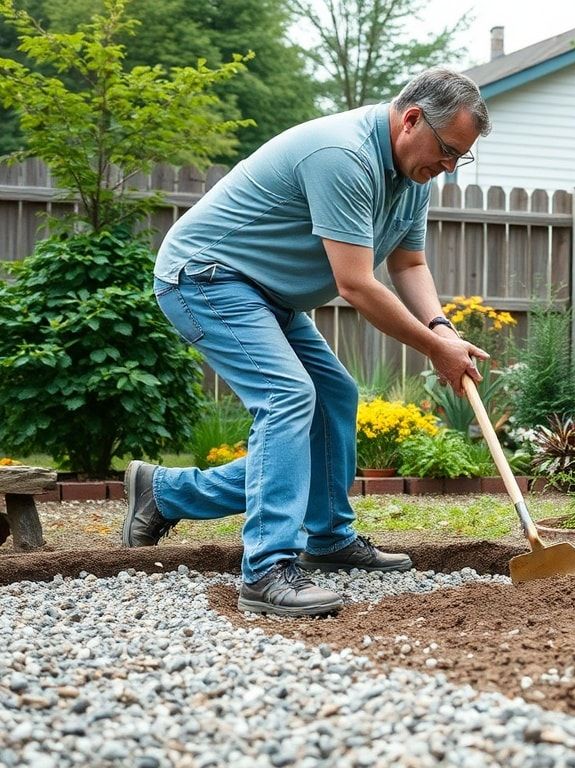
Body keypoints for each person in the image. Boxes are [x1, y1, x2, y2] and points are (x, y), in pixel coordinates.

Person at [122, 67, 492, 617]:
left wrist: (443, 330)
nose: (448, 167)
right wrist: (432, 349)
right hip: (205, 277)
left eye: (459, 158)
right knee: (288, 397)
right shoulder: (342, 155)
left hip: (268, 294)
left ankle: (315, 535)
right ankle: (267, 569)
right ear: (411, 118)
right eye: (447, 151)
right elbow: (357, 284)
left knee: (334, 397)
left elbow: (409, 262)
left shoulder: (413, 179)